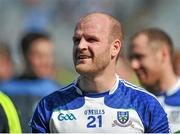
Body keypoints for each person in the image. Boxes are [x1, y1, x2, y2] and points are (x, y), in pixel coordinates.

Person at [30, 12, 170, 133]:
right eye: (76, 40)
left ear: (115, 48)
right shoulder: (49, 105)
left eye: (92, 39)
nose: (81, 46)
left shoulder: (146, 105)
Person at [0, 31, 61, 132]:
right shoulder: (5, 91)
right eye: (38, 55)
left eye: (49, 55)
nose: (45, 61)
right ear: (24, 55)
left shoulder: (59, 92)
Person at [128, 28, 180, 132]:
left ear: (163, 54)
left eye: (139, 57)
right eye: (131, 58)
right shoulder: (129, 101)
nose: (133, 65)